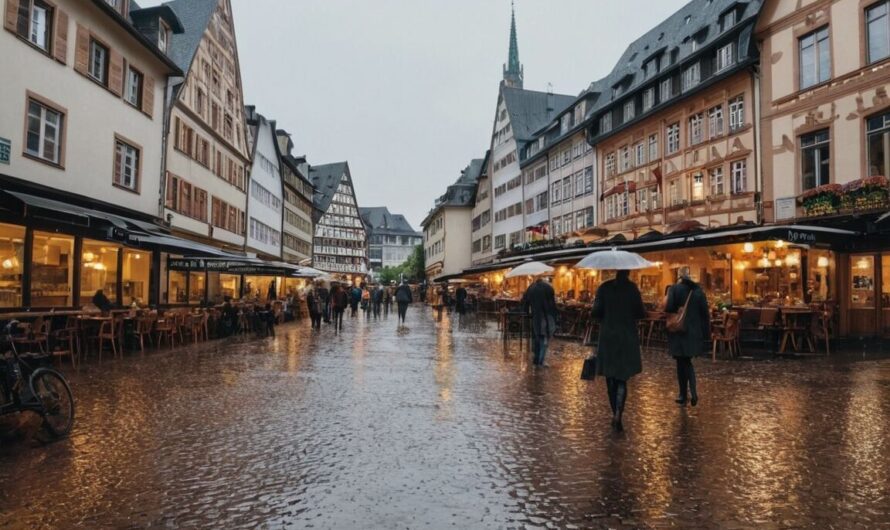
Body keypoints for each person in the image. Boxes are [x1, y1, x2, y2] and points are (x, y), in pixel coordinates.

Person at [591, 270, 646, 432]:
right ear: (629, 272)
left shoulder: (604, 288)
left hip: (608, 336)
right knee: (622, 377)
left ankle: (614, 411)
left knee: (610, 377)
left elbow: (595, 312)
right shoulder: (632, 289)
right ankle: (618, 414)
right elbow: (640, 313)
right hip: (627, 336)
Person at [665, 267, 710, 407]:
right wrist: (706, 335)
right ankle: (689, 393)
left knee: (682, 363)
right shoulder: (698, 292)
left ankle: (685, 393)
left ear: (679, 277)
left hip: (679, 332)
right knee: (686, 361)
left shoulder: (674, 289)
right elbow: (705, 314)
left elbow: (669, 308)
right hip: (694, 333)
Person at [521, 278, 559, 367]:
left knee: (537, 338)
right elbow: (552, 304)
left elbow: (524, 303)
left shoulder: (531, 288)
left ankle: (537, 359)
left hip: (535, 316)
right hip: (546, 316)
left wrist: (527, 313)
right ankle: (540, 360)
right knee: (544, 339)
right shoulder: (548, 288)